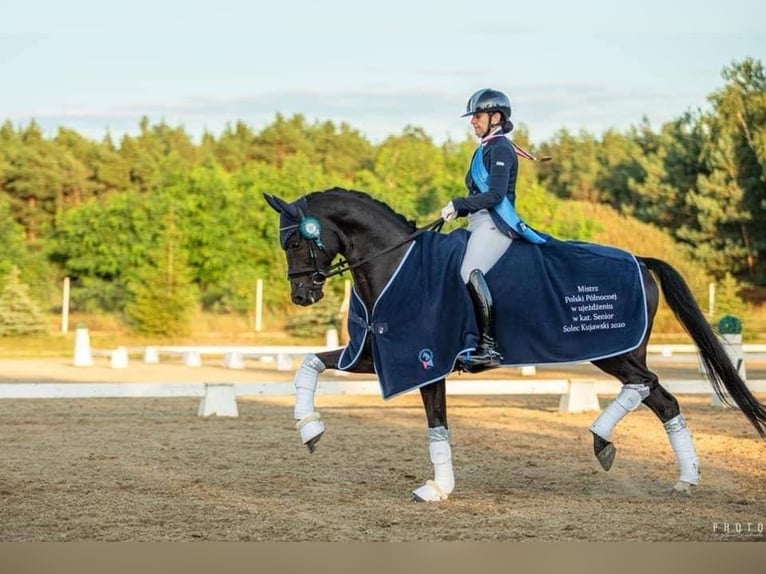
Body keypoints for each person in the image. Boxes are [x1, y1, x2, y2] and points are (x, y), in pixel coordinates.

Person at [441, 88, 546, 371]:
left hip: (495, 223)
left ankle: (488, 348)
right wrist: (459, 210)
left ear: (495, 117)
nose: (473, 122)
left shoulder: (501, 148)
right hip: (476, 222)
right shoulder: (483, 149)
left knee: (469, 271)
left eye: (477, 116)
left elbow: (495, 195)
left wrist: (459, 203)